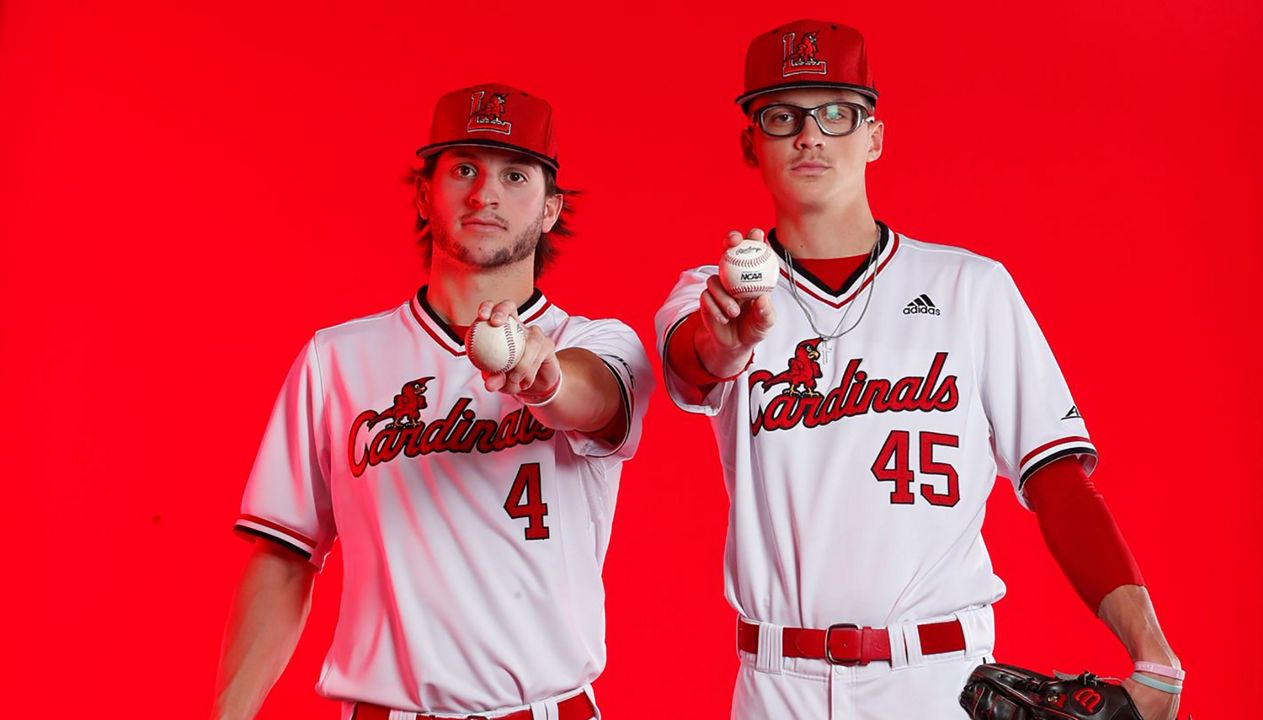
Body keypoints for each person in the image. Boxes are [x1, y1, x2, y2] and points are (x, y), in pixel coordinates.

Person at [655, 19, 1182, 720]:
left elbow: (1056, 481)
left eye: (836, 113)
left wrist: (1153, 654)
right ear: (751, 142)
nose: (810, 135)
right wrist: (726, 341)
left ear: (874, 135)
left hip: (940, 679)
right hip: (778, 687)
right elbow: (696, 361)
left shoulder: (972, 287)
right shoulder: (710, 292)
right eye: (782, 116)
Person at [213, 82, 652, 720]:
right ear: (424, 192)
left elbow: (597, 396)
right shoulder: (337, 359)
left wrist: (547, 378)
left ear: (551, 207)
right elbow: (284, 555)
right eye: (464, 169)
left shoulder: (592, 342)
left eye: (515, 174)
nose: (485, 194)